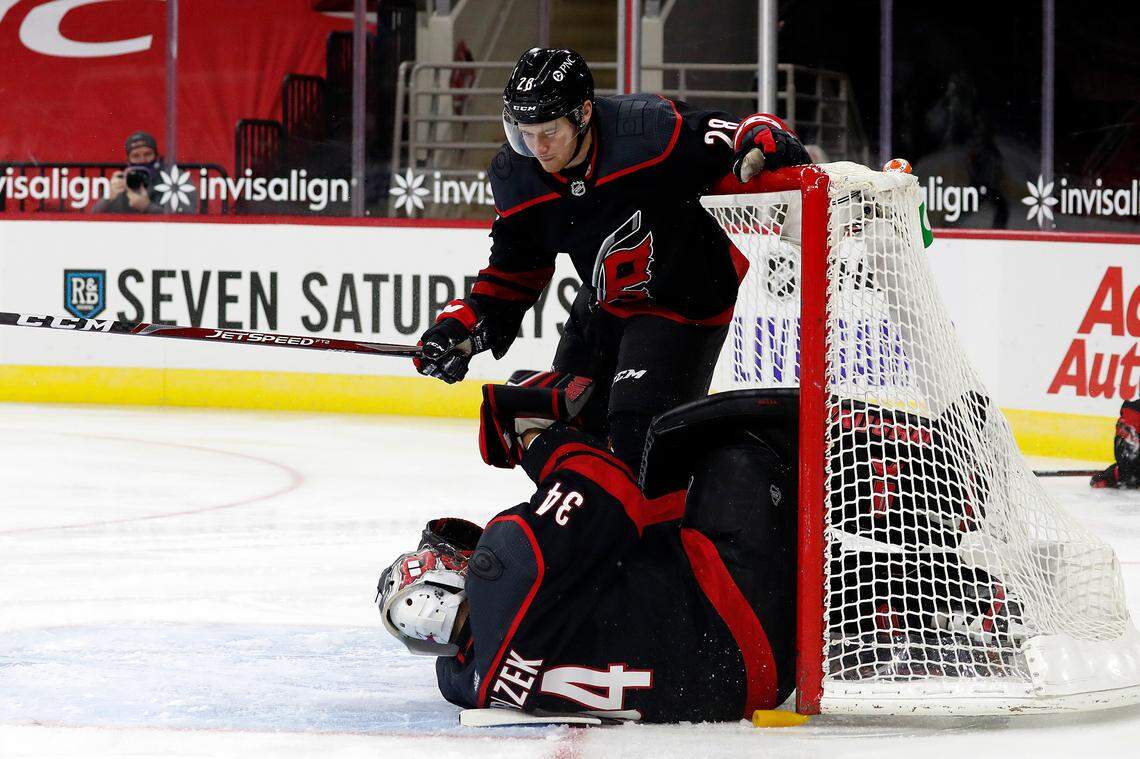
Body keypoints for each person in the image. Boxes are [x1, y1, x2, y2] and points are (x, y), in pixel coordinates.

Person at [414, 47, 810, 468]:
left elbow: (739, 132)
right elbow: (515, 270)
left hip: (684, 300)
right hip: (606, 302)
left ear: (583, 113)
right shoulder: (519, 174)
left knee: (638, 439)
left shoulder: (650, 132)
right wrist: (465, 326)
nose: (537, 147)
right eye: (524, 132)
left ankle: (707, 502)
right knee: (558, 420)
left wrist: (767, 138)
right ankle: (587, 528)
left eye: (549, 131)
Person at [377, 373, 799, 723]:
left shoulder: (469, 683)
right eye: (450, 562)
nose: (464, 560)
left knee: (645, 525)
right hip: (737, 606)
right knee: (734, 439)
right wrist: (534, 435)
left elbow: (592, 549)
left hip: (744, 685)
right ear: (444, 591)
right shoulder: (502, 575)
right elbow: (607, 485)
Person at [91, 131, 168, 214]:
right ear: (128, 160)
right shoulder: (121, 182)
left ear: (156, 156)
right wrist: (107, 198)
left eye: (147, 154)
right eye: (135, 156)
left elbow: (180, 218)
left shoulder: (171, 179)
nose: (142, 160)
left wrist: (147, 207)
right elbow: (93, 215)